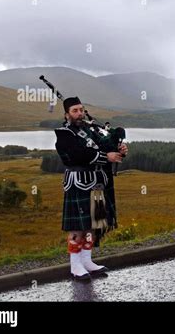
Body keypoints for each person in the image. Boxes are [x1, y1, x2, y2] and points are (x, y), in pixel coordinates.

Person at [54, 96, 128, 281]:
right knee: (77, 227)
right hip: (78, 182)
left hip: (96, 182)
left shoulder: (89, 130)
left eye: (81, 110)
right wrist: (106, 157)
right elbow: (78, 155)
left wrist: (119, 149)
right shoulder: (64, 134)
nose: (79, 114)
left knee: (93, 224)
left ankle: (86, 260)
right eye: (75, 111)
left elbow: (105, 145)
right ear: (67, 114)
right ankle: (75, 264)